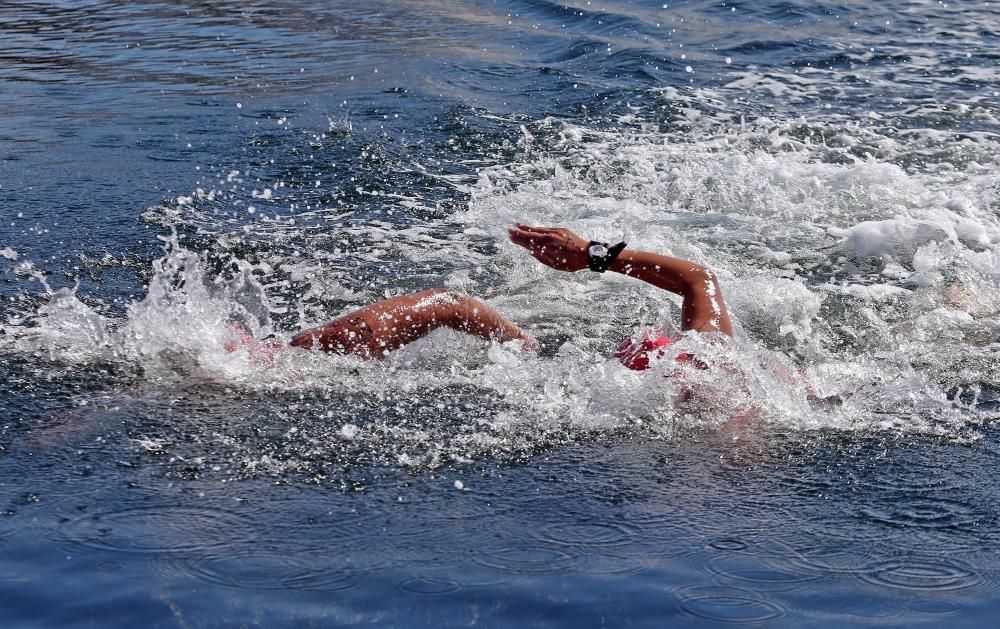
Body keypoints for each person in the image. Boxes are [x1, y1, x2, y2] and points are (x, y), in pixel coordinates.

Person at [280, 223, 732, 369]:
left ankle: (282, 357)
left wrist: (591, 255)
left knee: (449, 303)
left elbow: (698, 277)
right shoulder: (715, 359)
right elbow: (698, 278)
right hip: (561, 376)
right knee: (450, 303)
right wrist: (590, 256)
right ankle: (288, 356)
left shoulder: (709, 380)